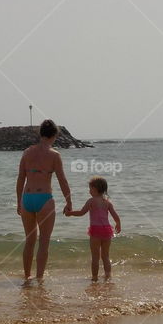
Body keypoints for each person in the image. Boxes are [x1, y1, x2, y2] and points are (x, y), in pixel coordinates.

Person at [17, 119, 72, 281]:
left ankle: (27, 276)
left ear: (41, 134)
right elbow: (62, 180)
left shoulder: (27, 152)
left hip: (27, 198)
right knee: (44, 242)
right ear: (54, 135)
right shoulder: (54, 155)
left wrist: (19, 200)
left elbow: (21, 178)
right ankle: (39, 278)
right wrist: (68, 201)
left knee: (29, 240)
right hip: (44, 199)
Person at [65, 175, 121, 281]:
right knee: (105, 256)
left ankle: (94, 278)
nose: (89, 191)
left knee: (95, 257)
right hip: (106, 231)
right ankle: (108, 276)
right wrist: (118, 223)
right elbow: (115, 216)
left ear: (95, 189)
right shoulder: (107, 202)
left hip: (95, 231)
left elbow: (81, 213)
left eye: (90, 188)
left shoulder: (91, 201)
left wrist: (70, 213)